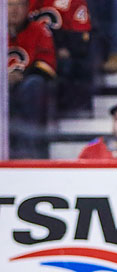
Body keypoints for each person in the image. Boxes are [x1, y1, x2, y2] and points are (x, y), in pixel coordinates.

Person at [8, 0, 56, 159]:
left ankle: (30, 153)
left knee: (34, 84)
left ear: (28, 7)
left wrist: (20, 77)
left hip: (25, 88)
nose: (14, 10)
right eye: (9, 4)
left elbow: (47, 66)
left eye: (19, 4)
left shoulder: (39, 30)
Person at [29, 0, 93, 116]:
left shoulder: (72, 2)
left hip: (56, 53)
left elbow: (80, 38)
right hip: (28, 56)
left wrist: (58, 47)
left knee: (68, 65)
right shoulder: (19, 3)